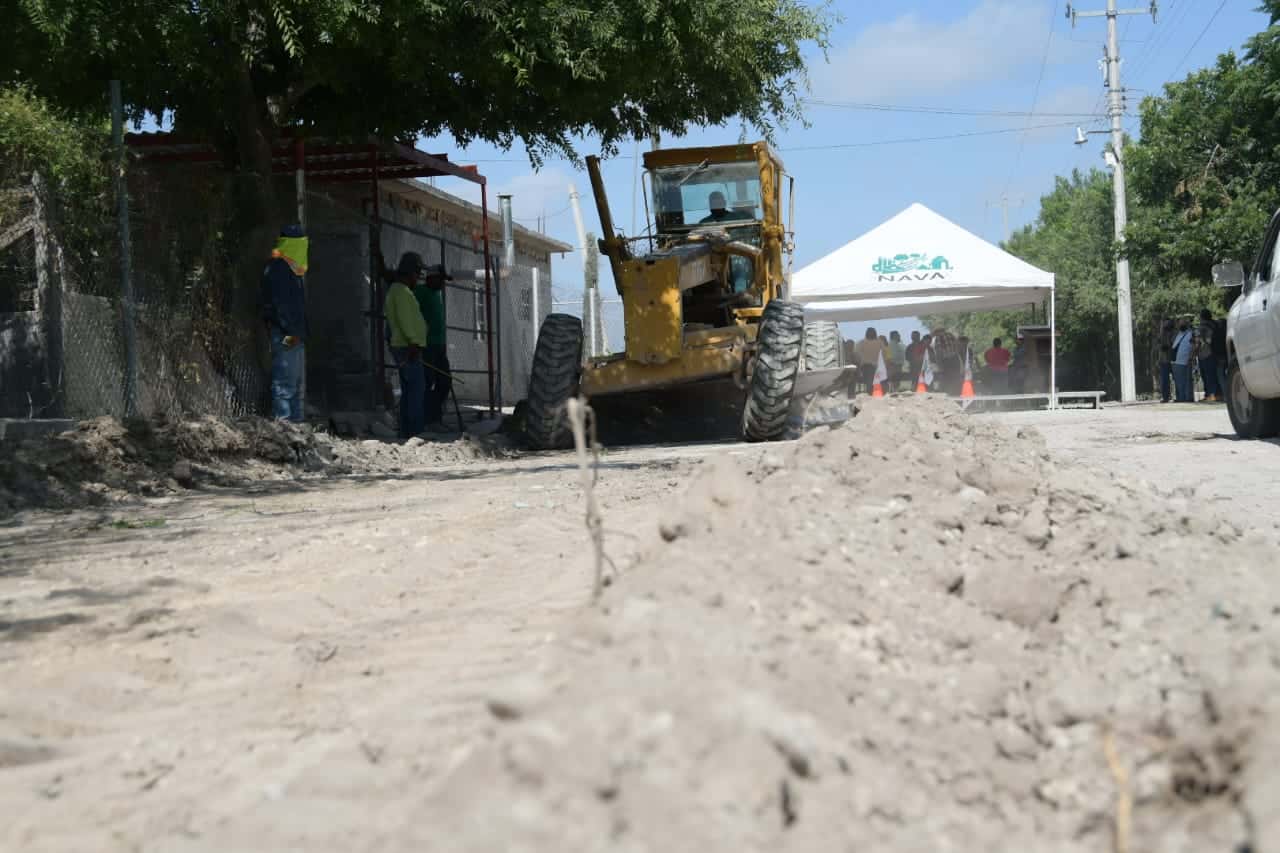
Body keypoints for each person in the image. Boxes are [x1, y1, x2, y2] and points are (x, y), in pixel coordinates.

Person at [261, 224, 309, 423]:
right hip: (287, 334)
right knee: (286, 382)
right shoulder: (279, 268)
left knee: (294, 382)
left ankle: (297, 429)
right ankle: (286, 425)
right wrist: (292, 331)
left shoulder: (288, 269)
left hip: (292, 334)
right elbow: (280, 306)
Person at [386, 252, 428, 438]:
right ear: (410, 272)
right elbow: (405, 320)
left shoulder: (398, 290)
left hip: (405, 346)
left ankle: (406, 432)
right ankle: (415, 433)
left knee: (409, 390)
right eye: (417, 273)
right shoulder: (401, 292)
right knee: (416, 391)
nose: (418, 278)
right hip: (407, 347)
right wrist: (413, 342)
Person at [415, 263, 454, 430]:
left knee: (445, 382)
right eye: (440, 280)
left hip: (439, 346)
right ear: (431, 278)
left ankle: (435, 418)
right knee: (428, 381)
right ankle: (428, 420)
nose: (442, 284)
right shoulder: (420, 292)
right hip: (426, 346)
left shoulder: (436, 294)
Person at [1197, 309, 1222, 403]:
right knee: (1213, 375)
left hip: (1206, 354)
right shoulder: (1215, 324)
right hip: (1215, 353)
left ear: (1202, 317)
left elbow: (1206, 341)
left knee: (1208, 376)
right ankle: (1216, 394)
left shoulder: (1203, 327)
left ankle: (1210, 395)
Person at [1170, 318, 1195, 403]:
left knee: (1186, 381)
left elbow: (1193, 346)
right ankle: (1180, 398)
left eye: (1182, 323)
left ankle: (1188, 398)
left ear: (1186, 324)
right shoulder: (1178, 334)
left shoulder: (1190, 334)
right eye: (1179, 324)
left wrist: (1191, 357)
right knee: (1178, 381)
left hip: (1185, 360)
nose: (1180, 325)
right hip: (1176, 361)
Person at [855, 327, 882, 394]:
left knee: (869, 380)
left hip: (865, 366)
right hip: (876, 366)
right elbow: (884, 354)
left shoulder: (861, 343)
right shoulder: (879, 343)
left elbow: (857, 355)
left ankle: (870, 392)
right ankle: (872, 392)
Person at [1155, 318, 1175, 403]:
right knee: (1164, 380)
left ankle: (1177, 395)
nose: (1163, 325)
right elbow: (1159, 347)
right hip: (1163, 360)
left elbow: (1172, 345)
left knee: (1175, 378)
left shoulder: (1173, 333)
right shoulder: (1161, 334)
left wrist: (1167, 347)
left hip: (1173, 359)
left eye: (1165, 323)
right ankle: (1166, 396)